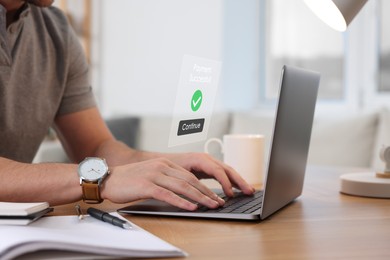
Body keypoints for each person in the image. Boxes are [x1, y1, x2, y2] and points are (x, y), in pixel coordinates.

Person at [0, 0, 254, 210]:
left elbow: (96, 147)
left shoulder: (55, 32)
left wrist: (168, 165)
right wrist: (104, 180)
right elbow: (103, 172)